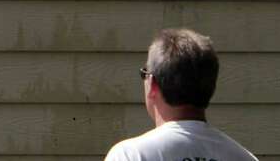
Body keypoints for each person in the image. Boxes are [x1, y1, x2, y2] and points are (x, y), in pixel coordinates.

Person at [104, 28, 257, 161]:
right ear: (211, 86)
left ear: (152, 84)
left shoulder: (131, 155)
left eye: (144, 74)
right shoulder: (243, 157)